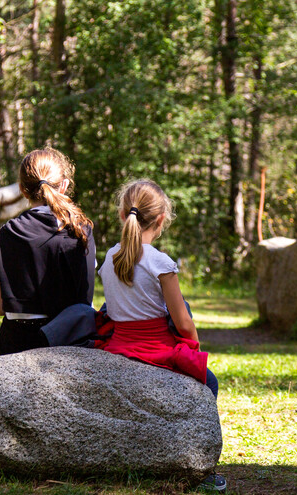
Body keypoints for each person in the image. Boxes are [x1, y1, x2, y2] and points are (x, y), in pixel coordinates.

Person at [97, 179, 226, 492]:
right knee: (209, 382)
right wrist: (194, 347)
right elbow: (182, 322)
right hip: (155, 349)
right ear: (160, 219)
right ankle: (203, 466)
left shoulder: (108, 259)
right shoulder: (161, 263)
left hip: (118, 346)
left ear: (121, 215)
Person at [0, 147, 96, 355]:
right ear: (64, 186)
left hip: (16, 343)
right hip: (68, 340)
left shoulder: (8, 233)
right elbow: (85, 303)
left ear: (23, 190)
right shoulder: (81, 232)